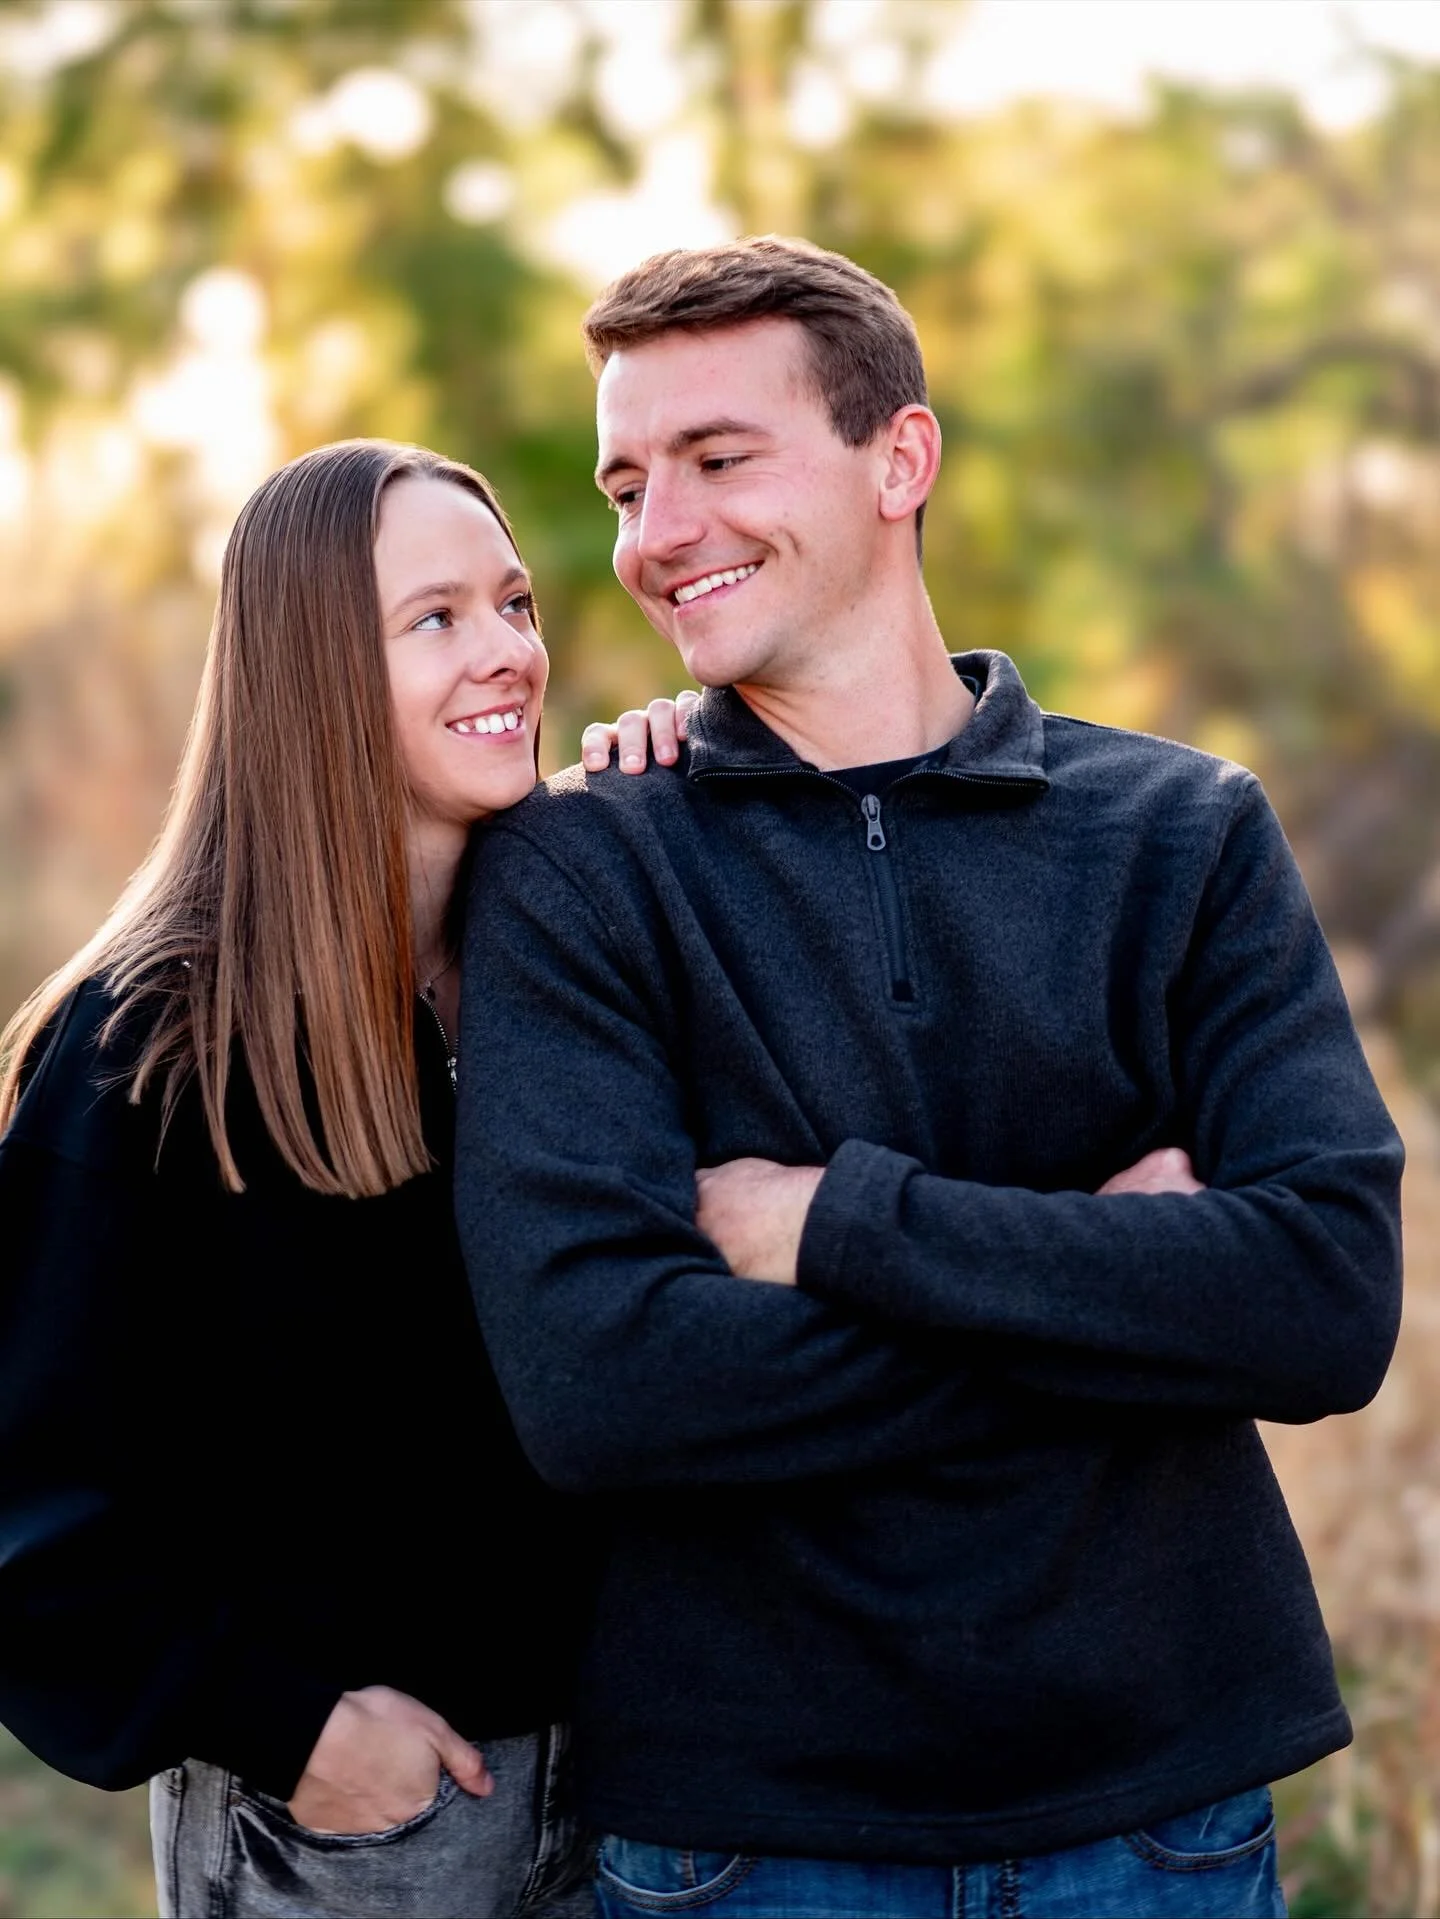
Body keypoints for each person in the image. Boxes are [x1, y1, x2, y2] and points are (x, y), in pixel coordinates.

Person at [454, 238, 1406, 1919]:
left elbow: (1323, 1299)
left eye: (719, 459)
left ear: (901, 458)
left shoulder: (1182, 835)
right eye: (624, 481)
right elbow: (601, 1383)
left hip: (1161, 1815)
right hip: (747, 1839)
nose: (653, 534)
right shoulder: (583, 870)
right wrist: (1112, 1300)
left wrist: (843, 1223)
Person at [0, 437, 694, 1919]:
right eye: (434, 619)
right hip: (362, 1837)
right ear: (311, 670)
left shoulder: (566, 975)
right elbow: (33, 1498)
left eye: (512, 603)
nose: (508, 649)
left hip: (648, 1804)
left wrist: (675, 806)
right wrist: (289, 1727)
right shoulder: (149, 1046)